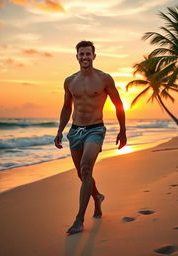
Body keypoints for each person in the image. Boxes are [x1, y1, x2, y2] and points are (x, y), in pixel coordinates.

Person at [54, 41, 127, 235]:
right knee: (82, 174)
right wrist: (60, 130)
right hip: (75, 130)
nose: (85, 57)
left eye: (88, 54)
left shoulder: (104, 79)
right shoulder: (70, 81)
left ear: (94, 56)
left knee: (86, 168)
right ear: (76, 56)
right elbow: (66, 108)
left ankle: (79, 220)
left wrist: (123, 130)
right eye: (81, 54)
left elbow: (119, 104)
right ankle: (97, 197)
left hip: (95, 129)